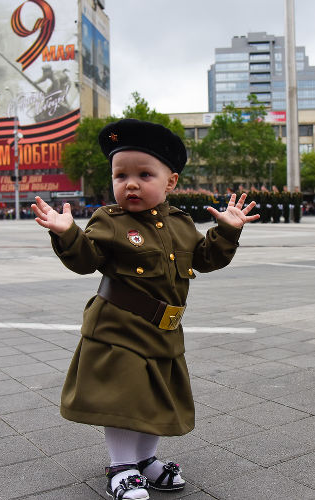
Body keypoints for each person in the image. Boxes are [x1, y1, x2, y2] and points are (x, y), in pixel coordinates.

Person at [31, 119, 258, 500]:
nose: (130, 183)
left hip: (164, 332)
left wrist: (228, 231)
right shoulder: (110, 220)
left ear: (170, 182)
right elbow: (87, 260)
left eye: (144, 174)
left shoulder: (181, 223)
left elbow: (205, 259)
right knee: (124, 397)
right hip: (117, 329)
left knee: (153, 397)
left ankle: (146, 460)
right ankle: (121, 467)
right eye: (120, 175)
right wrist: (66, 232)